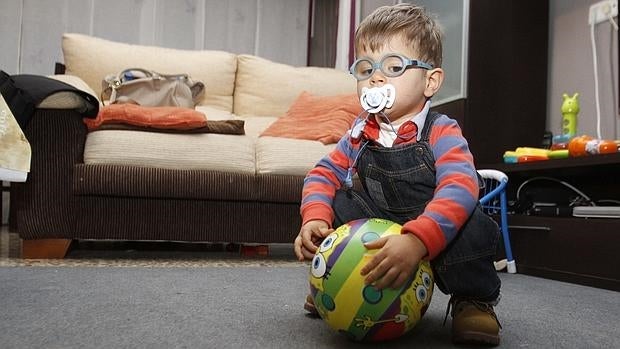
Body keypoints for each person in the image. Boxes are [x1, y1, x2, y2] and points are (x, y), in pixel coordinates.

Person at [294, 3, 502, 346]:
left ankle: (472, 299)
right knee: (337, 198)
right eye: (365, 68)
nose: (376, 77)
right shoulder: (359, 132)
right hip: (381, 223)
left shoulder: (442, 131)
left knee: (472, 222)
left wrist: (418, 240)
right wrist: (312, 219)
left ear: (430, 81)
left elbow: (460, 186)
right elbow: (322, 173)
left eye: (393, 67)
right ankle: (336, 279)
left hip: (438, 231)